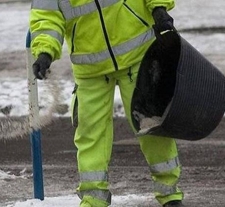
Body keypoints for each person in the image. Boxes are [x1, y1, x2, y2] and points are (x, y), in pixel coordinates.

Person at [29, 0, 184, 206]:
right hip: (90, 68)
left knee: (151, 125)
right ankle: (94, 198)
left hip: (137, 54)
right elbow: (46, 17)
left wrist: (158, 7)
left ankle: (169, 193)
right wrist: (45, 51)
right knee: (91, 133)